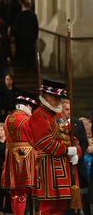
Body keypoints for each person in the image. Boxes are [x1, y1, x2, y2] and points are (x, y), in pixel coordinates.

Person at [28, 79, 80, 215]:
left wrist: (77, 152)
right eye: (54, 97)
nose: (57, 100)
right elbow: (44, 142)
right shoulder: (38, 115)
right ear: (44, 96)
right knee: (48, 207)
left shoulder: (59, 115)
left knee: (61, 206)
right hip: (47, 167)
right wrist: (67, 150)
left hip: (64, 167)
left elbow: (71, 137)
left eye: (59, 97)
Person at [1, 94, 37, 215]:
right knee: (24, 190)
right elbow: (34, 139)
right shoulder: (27, 120)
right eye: (31, 107)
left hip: (11, 155)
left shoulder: (7, 118)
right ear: (27, 106)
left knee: (15, 191)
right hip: (26, 156)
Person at [13, 0, 39, 70]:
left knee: (22, 51)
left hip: (21, 38)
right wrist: (35, 37)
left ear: (23, 7)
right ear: (29, 7)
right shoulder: (33, 15)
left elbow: (16, 27)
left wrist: (16, 36)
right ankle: (30, 66)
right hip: (31, 38)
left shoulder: (19, 15)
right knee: (30, 52)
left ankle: (22, 65)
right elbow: (36, 27)